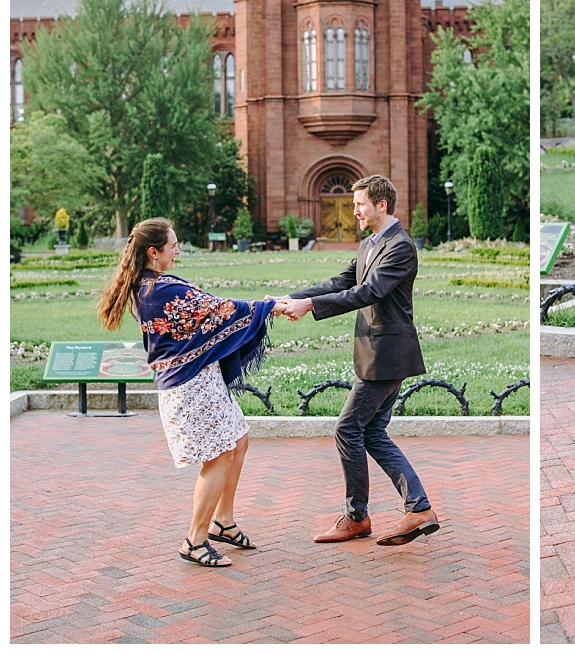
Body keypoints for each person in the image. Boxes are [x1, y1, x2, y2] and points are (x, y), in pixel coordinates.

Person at [97, 218, 285, 567]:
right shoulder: (160, 290)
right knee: (218, 456)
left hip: (201, 379)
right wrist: (269, 306)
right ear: (154, 253)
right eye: (173, 245)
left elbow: (206, 313)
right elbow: (218, 308)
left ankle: (223, 522)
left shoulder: (150, 285)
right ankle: (194, 541)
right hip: (190, 386)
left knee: (238, 440)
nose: (178, 250)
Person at [270, 175, 439, 546]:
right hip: (377, 353)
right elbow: (340, 282)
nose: (354, 211)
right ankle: (417, 508)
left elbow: (369, 291)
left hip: (387, 353)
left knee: (348, 429)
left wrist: (310, 305)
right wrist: (290, 298)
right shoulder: (369, 245)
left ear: (381, 205)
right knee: (372, 432)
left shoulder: (400, 246)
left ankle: (358, 517)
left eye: (360, 204)